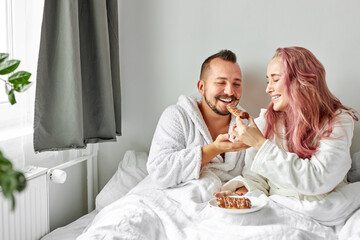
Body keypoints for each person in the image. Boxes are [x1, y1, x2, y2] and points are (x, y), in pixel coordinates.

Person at [217, 46, 358, 201]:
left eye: (275, 80)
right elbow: (256, 180)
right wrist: (242, 193)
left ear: (301, 81)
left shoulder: (338, 121)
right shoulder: (264, 123)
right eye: (267, 81)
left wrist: (260, 143)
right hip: (280, 209)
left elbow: (318, 179)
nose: (267, 89)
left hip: (326, 207)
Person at [146, 49, 249, 189]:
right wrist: (213, 149)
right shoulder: (177, 116)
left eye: (236, 84)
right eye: (220, 83)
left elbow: (255, 173)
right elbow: (159, 172)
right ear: (202, 87)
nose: (230, 92)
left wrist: (242, 188)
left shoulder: (246, 124)